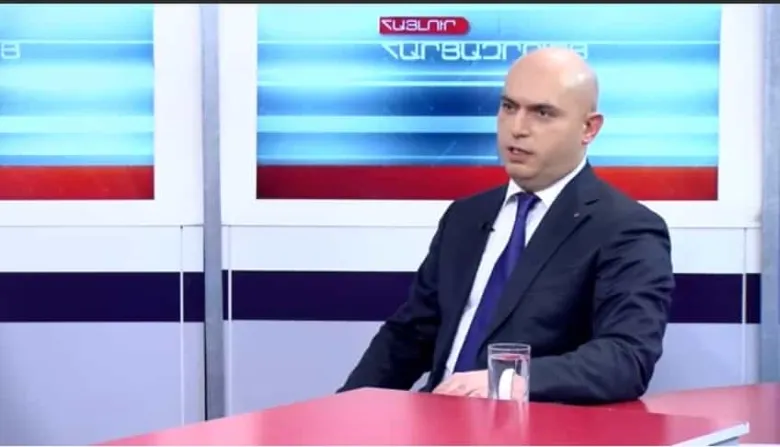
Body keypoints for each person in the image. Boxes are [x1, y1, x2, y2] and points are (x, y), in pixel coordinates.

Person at [338, 48, 674, 404]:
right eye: (509, 107)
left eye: (542, 113)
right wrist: (346, 408)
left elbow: (626, 357)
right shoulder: (465, 216)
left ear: (588, 128)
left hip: (533, 425)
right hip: (438, 416)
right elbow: (409, 335)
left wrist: (508, 381)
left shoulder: (626, 229)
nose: (517, 128)